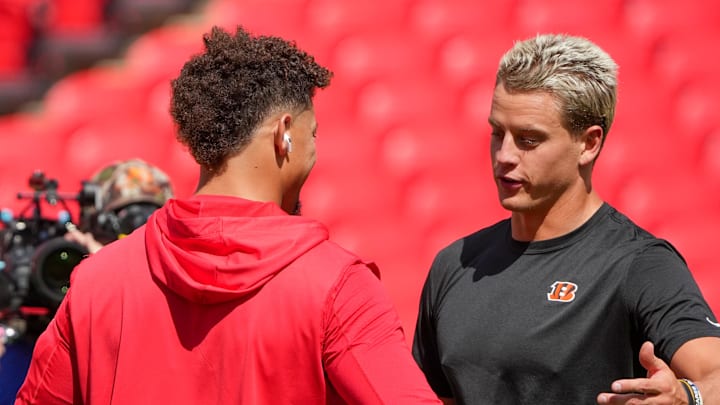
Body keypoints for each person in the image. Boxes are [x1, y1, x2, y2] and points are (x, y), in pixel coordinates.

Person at [16, 25, 441, 404]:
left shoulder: (96, 283)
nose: (314, 151)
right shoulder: (337, 287)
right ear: (284, 134)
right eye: (313, 135)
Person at [412, 33, 720, 405]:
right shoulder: (454, 264)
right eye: (497, 133)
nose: (504, 155)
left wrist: (688, 397)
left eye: (528, 140)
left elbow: (714, 373)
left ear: (589, 143)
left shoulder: (639, 264)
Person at [0, 158, 173, 405]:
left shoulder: (171, 289)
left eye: (149, 219)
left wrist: (107, 270)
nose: (136, 234)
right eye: (121, 221)